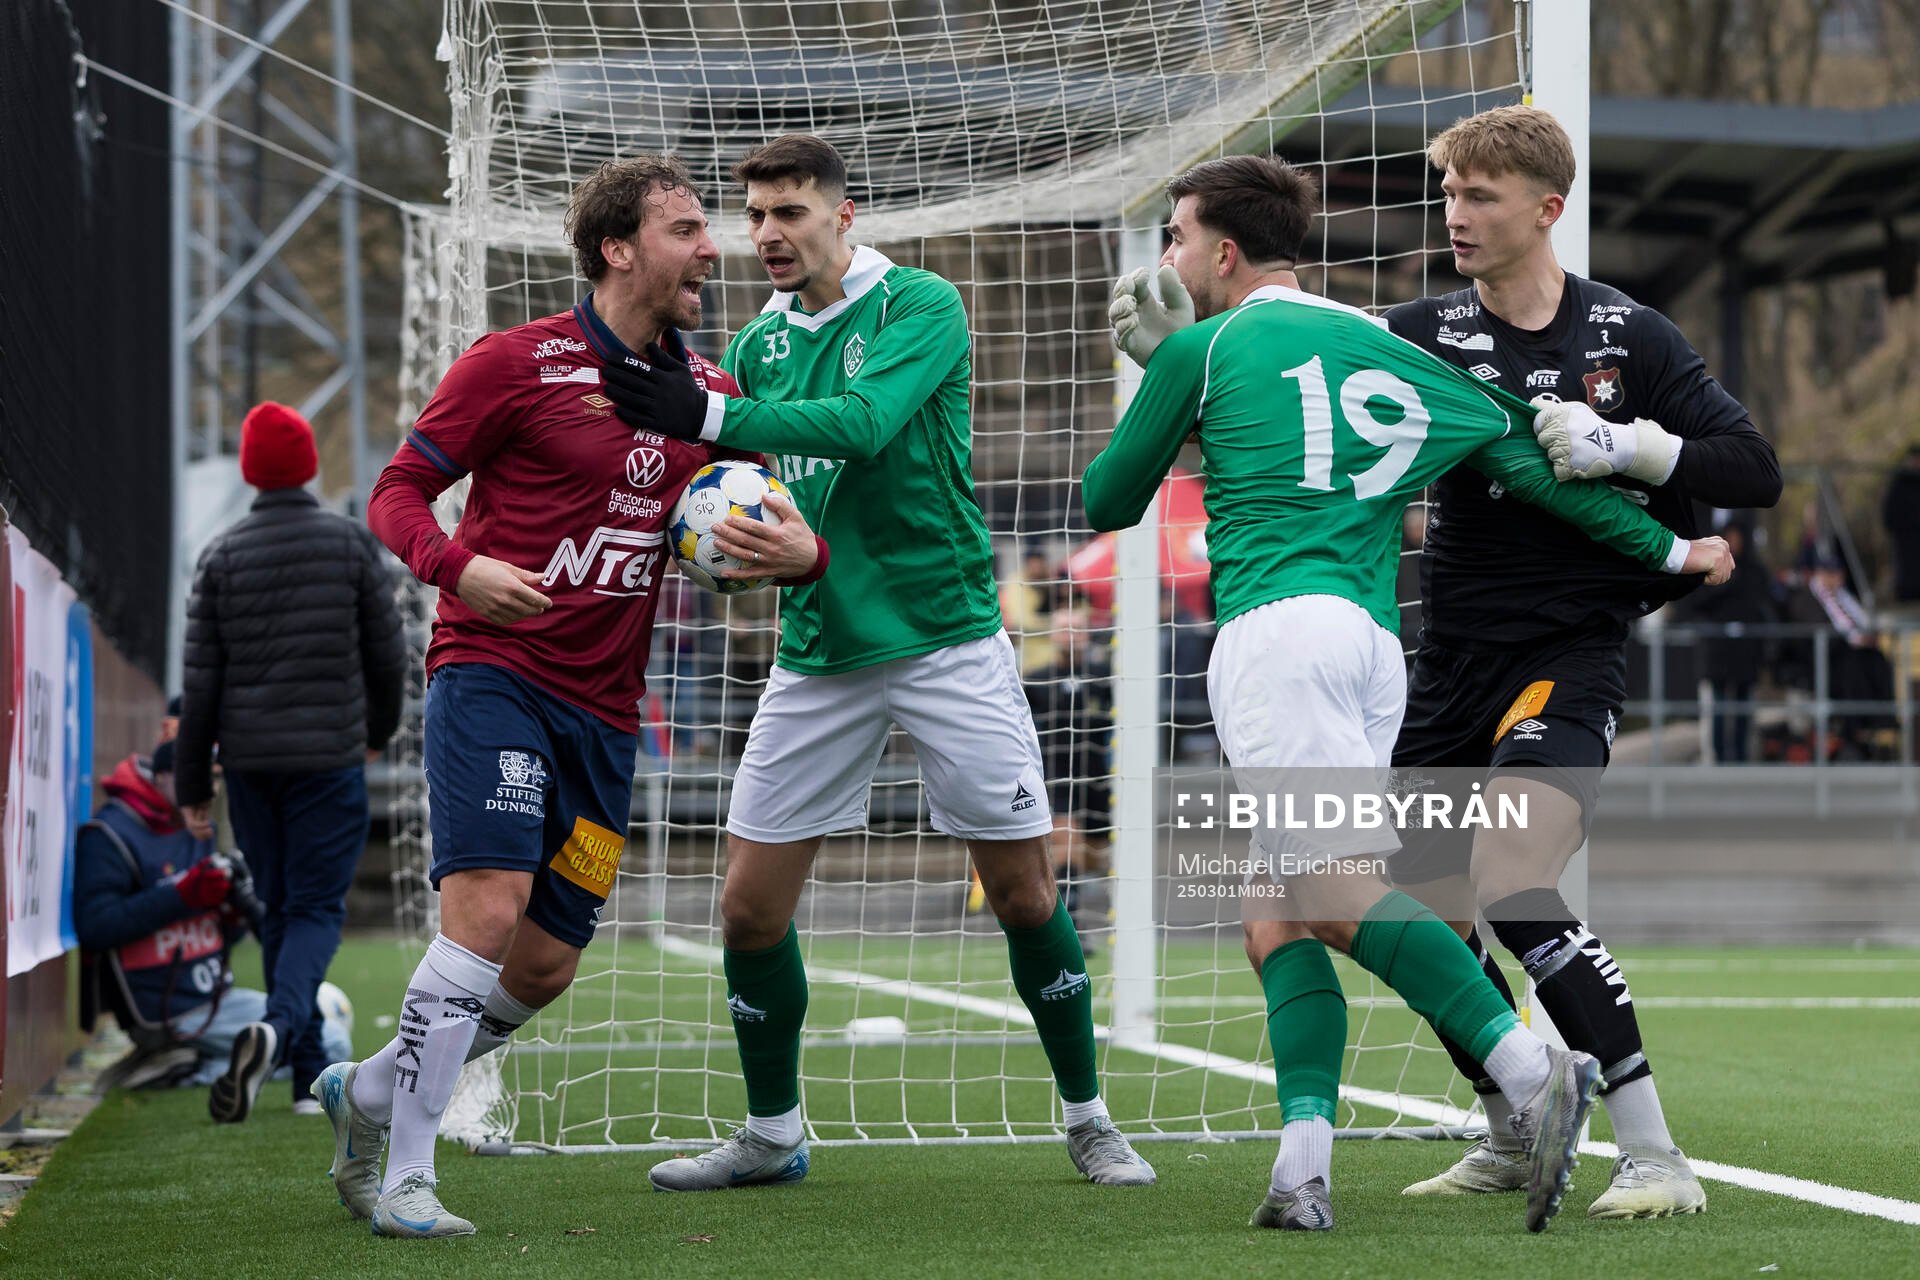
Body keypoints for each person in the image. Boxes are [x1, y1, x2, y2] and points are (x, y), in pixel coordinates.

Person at [1081, 154, 1733, 1233]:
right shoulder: (1388, 345)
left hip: (1274, 634)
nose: (1170, 258)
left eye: (1178, 238)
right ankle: (1302, 1170)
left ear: (1224, 252)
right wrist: (1673, 552)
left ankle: (1533, 1074)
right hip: (1376, 646)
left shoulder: (1205, 346)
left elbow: (1109, 495)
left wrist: (1158, 374)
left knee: (1330, 894)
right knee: (1275, 913)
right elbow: (1541, 475)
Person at [598, 134, 1157, 1191]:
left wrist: (706, 415)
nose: (766, 233)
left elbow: (861, 424)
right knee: (747, 906)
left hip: (946, 639)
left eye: (790, 212)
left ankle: (1088, 1116)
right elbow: (752, 487)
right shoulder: (758, 345)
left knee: (1025, 891)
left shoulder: (922, 308)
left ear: (844, 216)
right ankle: (772, 1132)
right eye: (753, 215)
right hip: (819, 648)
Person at [338, 155, 828, 1240]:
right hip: (493, 676)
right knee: (489, 904)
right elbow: (397, 490)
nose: (714, 249)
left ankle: (370, 1087)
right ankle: (405, 1171)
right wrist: (456, 567)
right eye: (689, 229)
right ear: (618, 248)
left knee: (548, 960)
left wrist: (801, 552)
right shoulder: (514, 364)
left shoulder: (711, 397)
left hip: (609, 716)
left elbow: (789, 530)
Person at [1381, 105, 1780, 1218]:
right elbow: (1304, 394)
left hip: (1570, 653)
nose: (1455, 214)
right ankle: (1512, 1126)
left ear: (1546, 209)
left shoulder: (1628, 335)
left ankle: (1657, 1155)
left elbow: (1754, 466)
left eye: (1480, 196)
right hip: (1450, 661)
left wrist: (1633, 446)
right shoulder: (1418, 327)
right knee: (1420, 906)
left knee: (1514, 877)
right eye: (1450, 193)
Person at [175, 401, 407, 1125]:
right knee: (312, 909)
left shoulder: (219, 555)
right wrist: (378, 728)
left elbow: (200, 684)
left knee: (279, 907)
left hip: (248, 767)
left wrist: (190, 786)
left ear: (249, 470)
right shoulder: (349, 546)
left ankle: (308, 1071)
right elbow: (388, 652)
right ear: (309, 465)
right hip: (328, 758)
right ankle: (281, 1034)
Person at [75, 739, 351, 1091]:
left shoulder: (196, 821)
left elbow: (204, 925)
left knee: (323, 1023)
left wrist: (232, 915)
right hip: (169, 1008)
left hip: (213, 995)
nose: (208, 789)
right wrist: (181, 894)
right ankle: (190, 1070)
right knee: (332, 1044)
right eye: (198, 777)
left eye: (215, 778)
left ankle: (184, 1062)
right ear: (161, 777)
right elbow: (95, 925)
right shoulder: (109, 833)